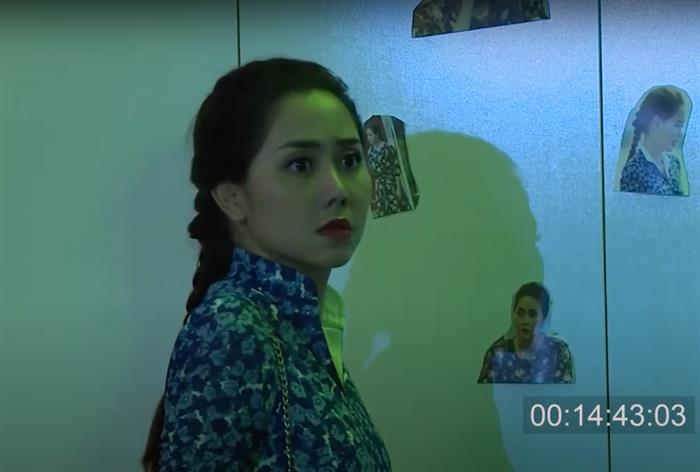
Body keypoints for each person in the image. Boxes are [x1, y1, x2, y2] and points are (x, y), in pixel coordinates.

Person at [141, 58, 392, 471]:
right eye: (300, 164)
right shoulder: (233, 328)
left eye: (349, 160)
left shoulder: (301, 322)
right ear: (232, 197)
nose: (337, 190)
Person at [477, 282, 574, 384]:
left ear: (544, 317)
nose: (525, 321)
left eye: (533, 315)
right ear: (513, 314)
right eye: (520, 313)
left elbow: (565, 392)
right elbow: (484, 393)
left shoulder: (558, 352)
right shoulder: (497, 353)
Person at [618, 86, 689, 196]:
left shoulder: (674, 164)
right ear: (657, 123)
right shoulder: (633, 170)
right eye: (677, 125)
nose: (680, 133)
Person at [364, 124, 409, 217]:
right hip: (381, 189)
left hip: (392, 185)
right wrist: (376, 192)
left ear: (377, 135)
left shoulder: (388, 148)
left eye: (370, 135)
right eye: (367, 135)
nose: (368, 138)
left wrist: (398, 189)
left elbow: (396, 169)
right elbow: (375, 175)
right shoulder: (370, 152)